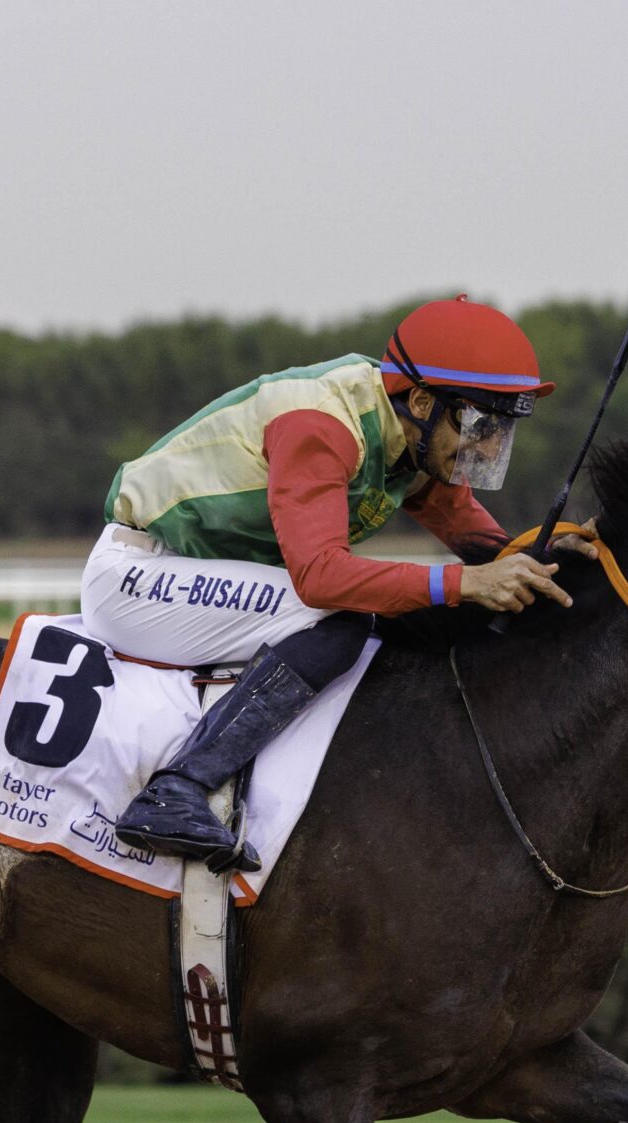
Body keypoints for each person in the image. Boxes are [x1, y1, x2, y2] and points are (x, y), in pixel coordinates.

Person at [88, 295, 594, 873]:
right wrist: (466, 583)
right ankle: (176, 788)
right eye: (480, 424)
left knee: (413, 612)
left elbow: (480, 544)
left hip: (205, 577)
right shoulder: (322, 424)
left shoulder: (409, 432)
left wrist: (553, 556)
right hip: (139, 576)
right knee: (342, 619)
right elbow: (320, 577)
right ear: (424, 401)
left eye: (501, 428)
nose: (488, 447)